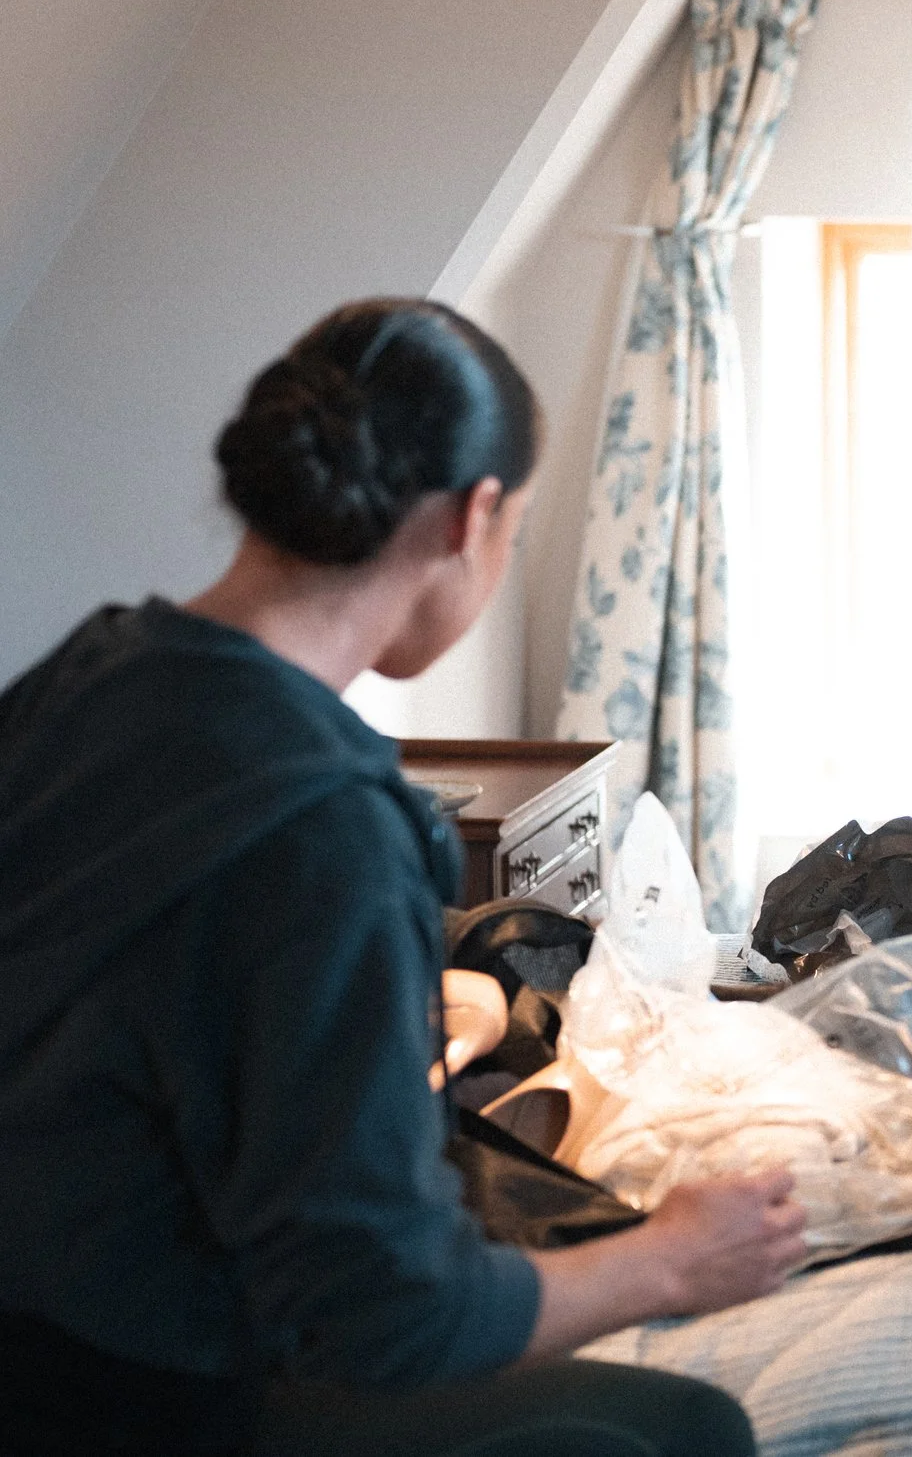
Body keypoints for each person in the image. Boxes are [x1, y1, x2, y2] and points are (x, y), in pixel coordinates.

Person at [0, 300, 809, 1456]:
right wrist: (674, 1254)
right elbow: (394, 1316)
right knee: (679, 1433)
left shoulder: (89, 672)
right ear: (474, 516)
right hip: (139, 1397)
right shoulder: (322, 817)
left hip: (41, 1321)